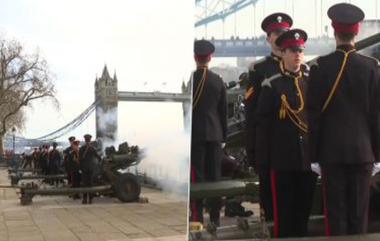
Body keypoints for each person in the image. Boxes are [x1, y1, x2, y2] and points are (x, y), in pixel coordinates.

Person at [307, 3, 380, 236]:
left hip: (331, 154)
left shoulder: (320, 67)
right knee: (359, 216)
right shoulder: (372, 68)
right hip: (363, 153)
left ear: (333, 30)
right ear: (357, 31)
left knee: (336, 217)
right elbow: (376, 116)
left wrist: (313, 156)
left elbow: (314, 117)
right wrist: (377, 155)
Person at [255, 29, 317, 238]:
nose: (297, 54)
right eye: (292, 50)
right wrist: (262, 162)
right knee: (283, 216)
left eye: (300, 50)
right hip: (282, 161)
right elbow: (263, 127)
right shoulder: (272, 85)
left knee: (303, 214)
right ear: (283, 52)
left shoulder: (311, 82)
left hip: (307, 161)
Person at [245, 12, 293, 223]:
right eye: (275, 33)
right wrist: (253, 149)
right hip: (271, 147)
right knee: (271, 204)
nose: (279, 36)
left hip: (296, 147)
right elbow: (251, 113)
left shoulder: (303, 68)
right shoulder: (258, 69)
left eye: (284, 32)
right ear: (268, 38)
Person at [189, 40, 227, 226]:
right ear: (210, 57)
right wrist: (224, 137)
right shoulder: (218, 80)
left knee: (197, 177)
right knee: (215, 178)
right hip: (215, 134)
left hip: (195, 135)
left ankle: (197, 216)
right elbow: (223, 112)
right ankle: (215, 217)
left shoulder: (190, 80)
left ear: (195, 57)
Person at [79, 134, 101, 204]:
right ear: (90, 140)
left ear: (85, 140)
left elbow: (79, 159)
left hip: (84, 169)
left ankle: (85, 199)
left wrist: (80, 168)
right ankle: (90, 199)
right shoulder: (92, 149)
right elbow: (99, 157)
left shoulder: (82, 148)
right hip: (91, 168)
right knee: (90, 183)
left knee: (84, 184)